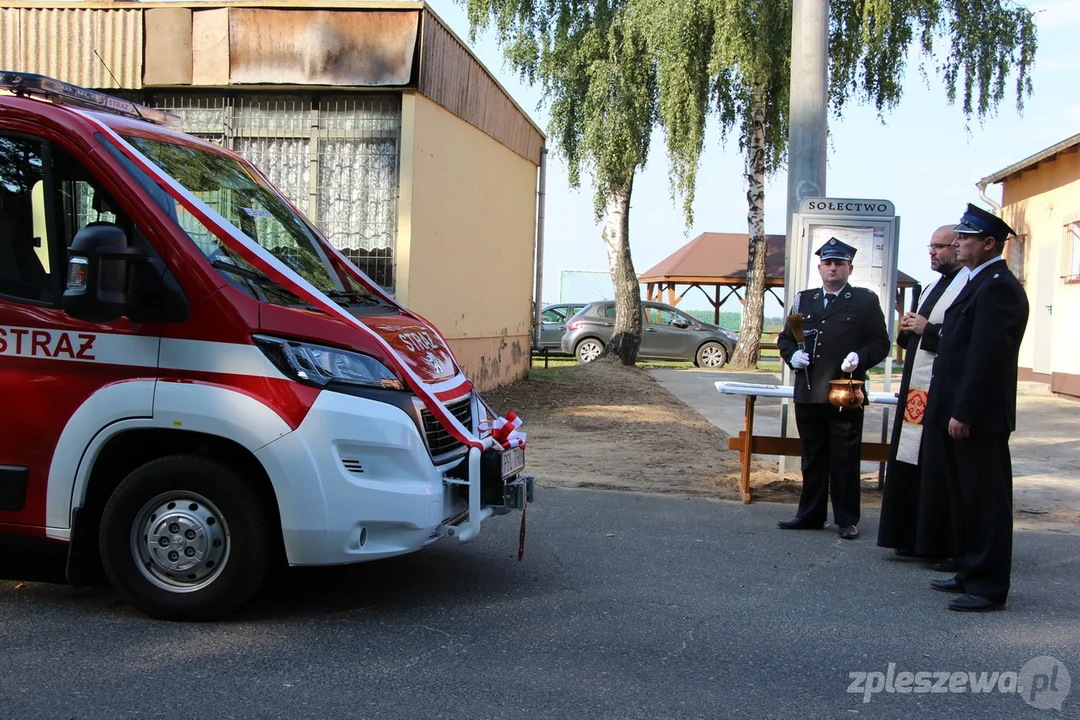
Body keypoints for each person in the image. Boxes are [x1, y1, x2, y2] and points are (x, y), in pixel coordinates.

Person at [924, 203, 1029, 612]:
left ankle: (988, 585)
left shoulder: (998, 285)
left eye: (965, 237)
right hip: (958, 408)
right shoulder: (976, 281)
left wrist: (965, 411)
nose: (957, 242)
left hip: (978, 416)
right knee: (965, 496)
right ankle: (969, 570)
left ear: (988, 244)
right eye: (958, 236)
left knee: (985, 501)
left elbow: (987, 358)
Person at [776, 238, 891, 539]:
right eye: (828, 263)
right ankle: (810, 514)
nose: (833, 268)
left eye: (839, 263)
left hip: (844, 393)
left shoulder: (864, 301)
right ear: (819, 268)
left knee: (844, 458)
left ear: (849, 268)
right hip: (809, 392)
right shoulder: (804, 300)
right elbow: (786, 339)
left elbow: (880, 342)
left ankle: (846, 519)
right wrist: (792, 356)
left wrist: (861, 357)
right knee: (812, 457)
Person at [877, 225, 969, 563]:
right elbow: (919, 335)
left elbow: (963, 338)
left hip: (941, 389)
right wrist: (908, 329)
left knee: (935, 465)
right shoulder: (933, 285)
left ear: (957, 247)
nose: (933, 252)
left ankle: (937, 541)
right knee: (911, 459)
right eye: (930, 246)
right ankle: (910, 535)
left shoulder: (967, 286)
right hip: (917, 388)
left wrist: (926, 329)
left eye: (940, 246)